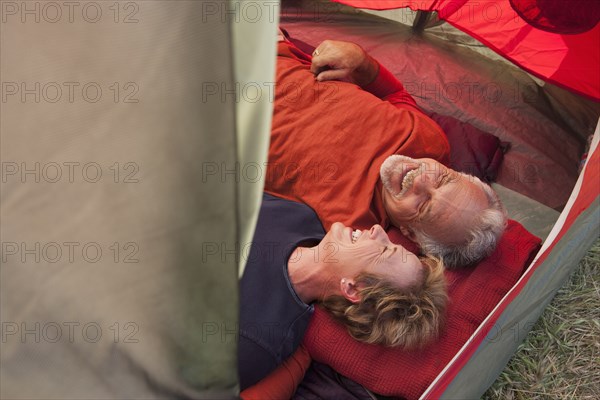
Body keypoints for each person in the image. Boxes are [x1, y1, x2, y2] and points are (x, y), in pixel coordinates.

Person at [265, 33, 507, 268]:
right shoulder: (431, 141)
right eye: (443, 179)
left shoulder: (351, 230)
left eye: (424, 205)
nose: (420, 178)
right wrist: (361, 60)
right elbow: (394, 94)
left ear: (410, 233)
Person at [238, 193, 447, 390]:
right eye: (390, 242)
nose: (378, 231)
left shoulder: (258, 342)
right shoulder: (301, 218)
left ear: (354, 288)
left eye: (384, 250)